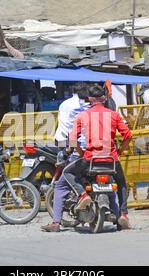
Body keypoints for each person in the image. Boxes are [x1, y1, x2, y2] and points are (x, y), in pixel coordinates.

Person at [64, 85, 133, 230]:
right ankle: (124, 214)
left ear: (89, 99)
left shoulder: (83, 115)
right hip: (111, 161)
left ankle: (83, 195)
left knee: (67, 172)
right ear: (104, 98)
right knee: (121, 183)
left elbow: (72, 138)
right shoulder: (114, 115)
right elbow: (128, 135)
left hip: (90, 161)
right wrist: (120, 150)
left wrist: (79, 151)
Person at [41, 83, 91, 233]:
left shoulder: (67, 105)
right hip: (104, 152)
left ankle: (56, 222)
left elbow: (67, 133)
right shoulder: (97, 110)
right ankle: (122, 214)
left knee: (62, 184)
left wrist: (69, 149)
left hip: (75, 148)